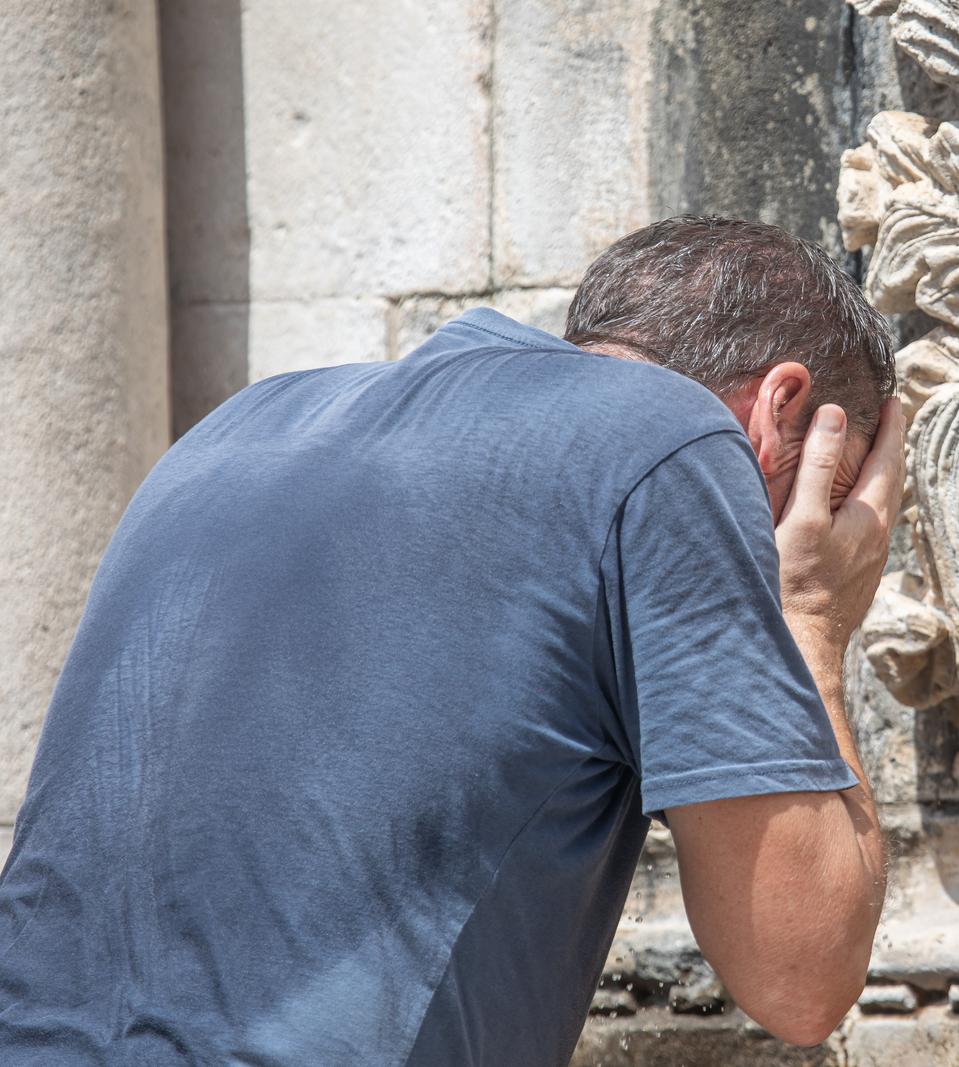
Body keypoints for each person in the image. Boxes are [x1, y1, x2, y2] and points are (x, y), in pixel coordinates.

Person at [0, 215, 905, 1066]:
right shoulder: (677, 438)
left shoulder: (239, 425)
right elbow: (801, 977)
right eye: (830, 497)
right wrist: (812, 617)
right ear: (783, 412)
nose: (816, 530)